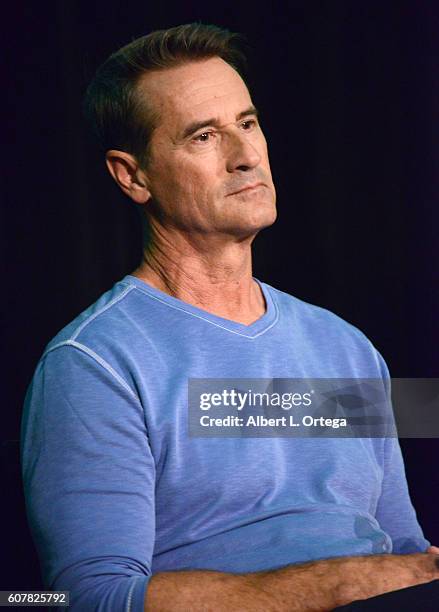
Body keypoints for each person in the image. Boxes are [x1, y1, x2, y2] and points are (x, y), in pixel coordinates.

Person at [20, 23, 439, 611]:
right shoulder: (93, 365)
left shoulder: (344, 346)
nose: (246, 156)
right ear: (132, 175)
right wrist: (337, 587)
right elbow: (86, 598)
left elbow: (407, 554)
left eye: (247, 123)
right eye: (203, 137)